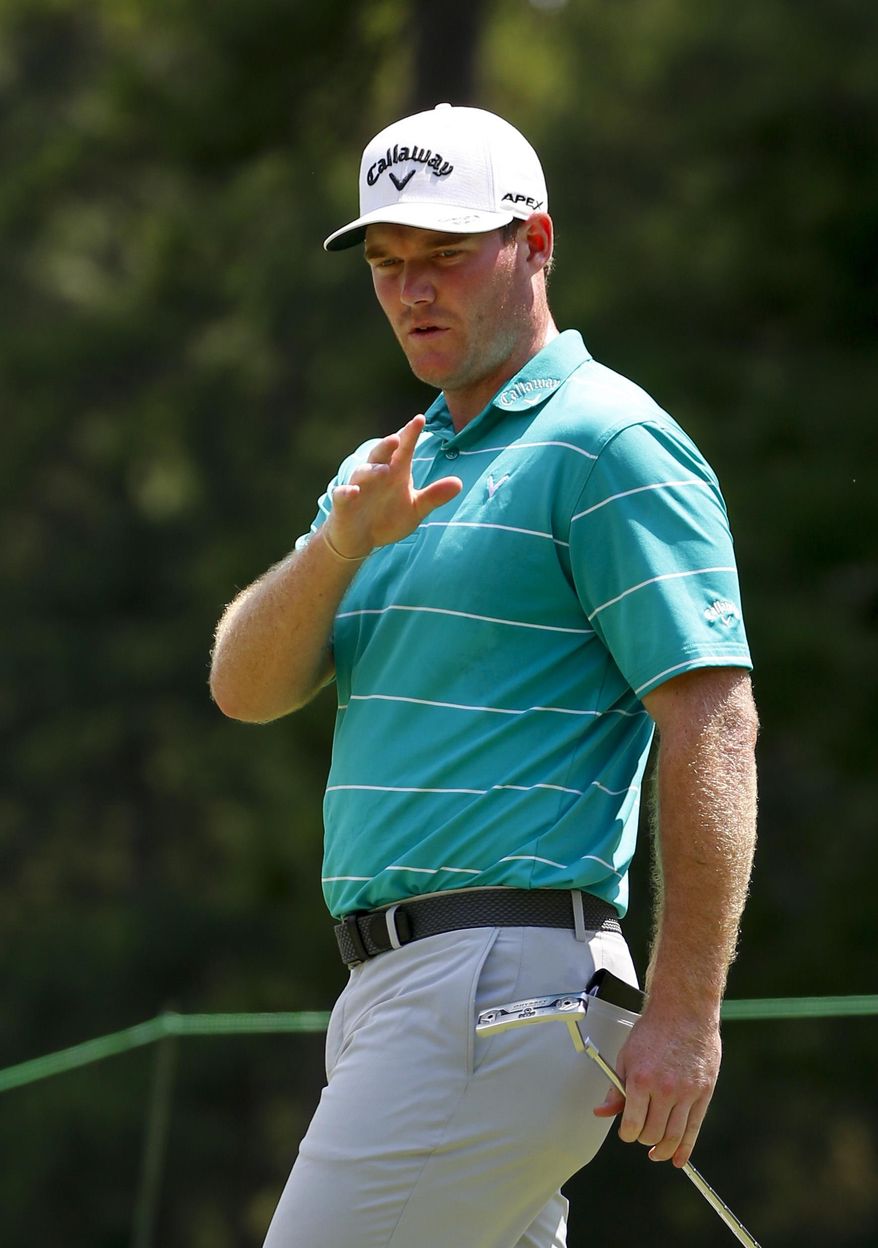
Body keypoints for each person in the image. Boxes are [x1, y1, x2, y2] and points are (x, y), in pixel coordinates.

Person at [209, 103, 758, 1248]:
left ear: (535, 241)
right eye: (387, 263)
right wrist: (338, 544)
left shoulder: (609, 441)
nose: (413, 291)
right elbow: (244, 687)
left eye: (446, 256)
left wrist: (686, 1012)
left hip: (495, 985)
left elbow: (711, 720)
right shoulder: (385, 473)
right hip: (396, 999)